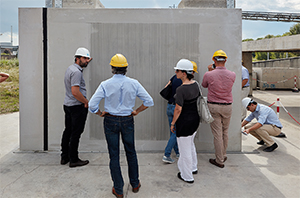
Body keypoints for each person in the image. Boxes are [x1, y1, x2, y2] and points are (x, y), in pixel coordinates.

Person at [88, 53, 154, 198]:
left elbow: (92, 105)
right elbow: (149, 101)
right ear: (126, 68)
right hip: (127, 120)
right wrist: (136, 111)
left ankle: (118, 190)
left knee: (114, 154)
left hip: (110, 120)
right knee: (131, 151)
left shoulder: (105, 84)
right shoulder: (134, 83)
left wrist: (100, 113)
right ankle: (135, 183)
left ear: (112, 68)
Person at [201, 50, 236, 168]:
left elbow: (204, 85)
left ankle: (219, 160)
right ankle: (223, 154)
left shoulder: (209, 74)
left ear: (214, 60)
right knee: (225, 132)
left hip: (214, 106)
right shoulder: (232, 74)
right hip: (228, 106)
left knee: (217, 134)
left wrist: (211, 71)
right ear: (225, 60)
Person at [61, 47, 92, 168]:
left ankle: (65, 157)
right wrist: (85, 102)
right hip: (76, 107)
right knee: (75, 133)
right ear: (77, 58)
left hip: (68, 105)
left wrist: (87, 61)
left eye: (87, 59)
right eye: (84, 58)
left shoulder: (71, 68)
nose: (86, 61)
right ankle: (73, 159)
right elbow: (75, 92)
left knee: (68, 131)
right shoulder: (77, 72)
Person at [170, 59, 200, 184]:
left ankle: (187, 176)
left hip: (184, 123)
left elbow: (178, 109)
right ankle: (193, 167)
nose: (176, 72)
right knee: (190, 144)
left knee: (184, 150)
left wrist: (172, 123)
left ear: (184, 73)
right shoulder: (196, 84)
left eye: (177, 70)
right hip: (195, 120)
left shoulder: (181, 89)